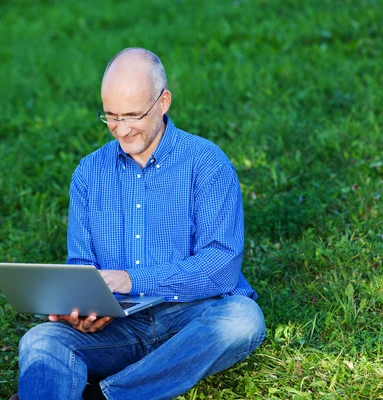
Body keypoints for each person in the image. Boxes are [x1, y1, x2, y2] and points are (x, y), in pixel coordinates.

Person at [15, 47, 266, 400]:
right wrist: (83, 308)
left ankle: (105, 395)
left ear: (163, 102)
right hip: (117, 325)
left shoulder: (207, 163)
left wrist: (134, 279)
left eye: (133, 115)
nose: (122, 129)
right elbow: (82, 264)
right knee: (40, 340)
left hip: (190, 318)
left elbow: (220, 266)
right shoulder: (89, 173)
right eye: (111, 117)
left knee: (243, 320)